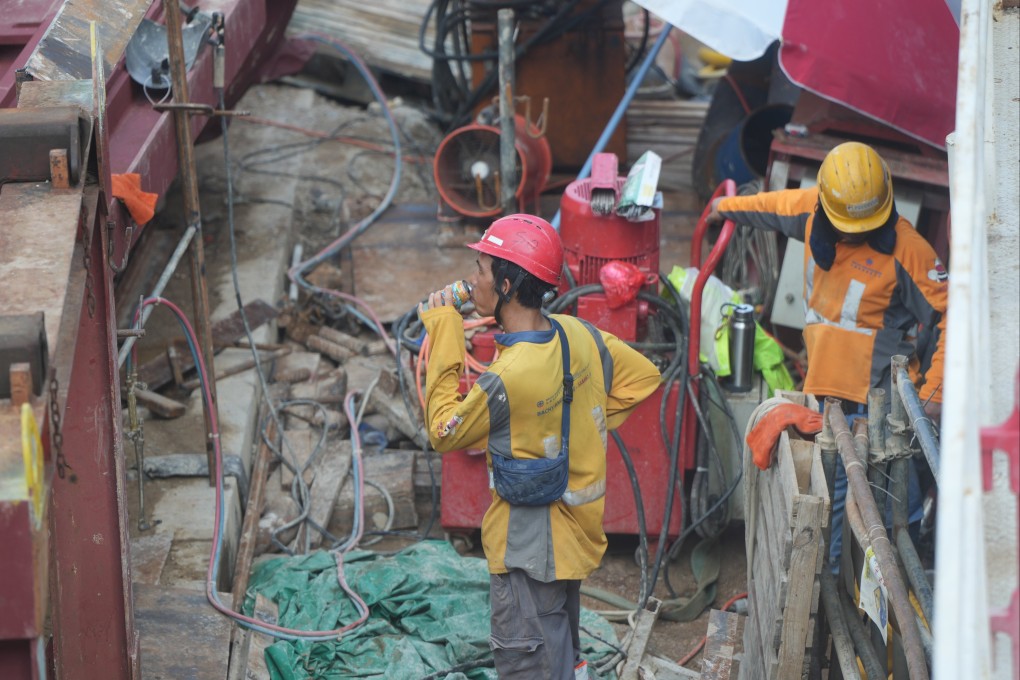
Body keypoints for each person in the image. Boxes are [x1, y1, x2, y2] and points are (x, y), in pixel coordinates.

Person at [419, 214, 661, 679]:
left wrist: (445, 329)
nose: (472, 280)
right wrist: (577, 425)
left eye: (481, 269)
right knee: (558, 650)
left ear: (507, 284)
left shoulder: (507, 378)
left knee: (532, 662)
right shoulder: (578, 335)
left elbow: (443, 431)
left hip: (527, 550)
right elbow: (644, 377)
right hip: (572, 538)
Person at [707, 141, 948, 569]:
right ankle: (833, 588)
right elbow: (771, 206)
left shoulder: (909, 252)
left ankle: (907, 583)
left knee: (897, 505)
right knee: (835, 504)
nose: (855, 234)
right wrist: (725, 207)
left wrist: (932, 398)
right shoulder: (811, 212)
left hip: (882, 403)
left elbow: (953, 314)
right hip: (826, 396)